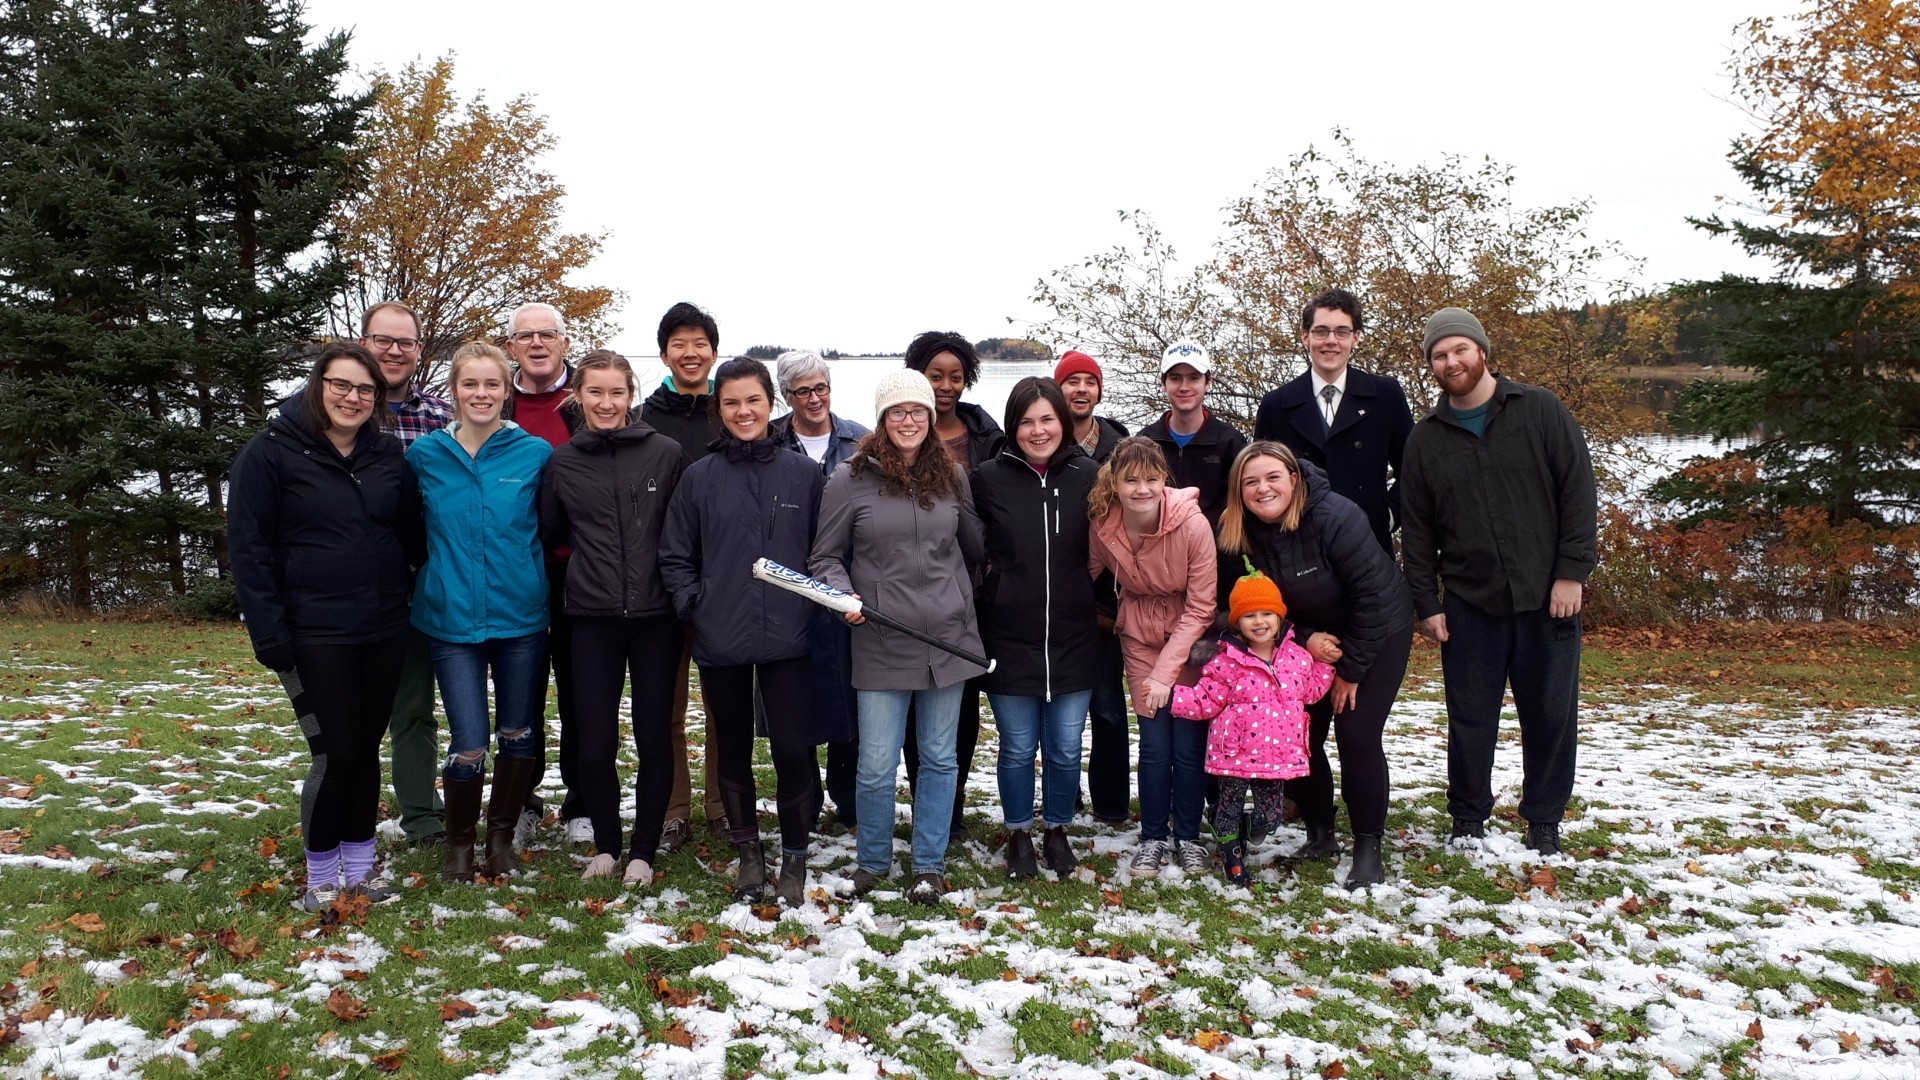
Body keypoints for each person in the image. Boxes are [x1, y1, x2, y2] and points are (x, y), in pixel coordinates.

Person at [229, 343, 424, 911]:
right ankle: (320, 877)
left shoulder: (387, 455)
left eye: (365, 390)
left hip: (383, 628)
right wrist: (269, 632)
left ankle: (360, 871)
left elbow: (410, 534)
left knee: (364, 750)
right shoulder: (270, 453)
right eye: (341, 385)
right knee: (334, 752)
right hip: (312, 632)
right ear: (318, 386)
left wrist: (403, 590)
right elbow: (249, 550)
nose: (352, 398)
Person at [1401, 307, 1598, 857]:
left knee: (1550, 714)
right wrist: (1427, 602)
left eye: (1459, 349)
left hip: (1548, 598)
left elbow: (1578, 493)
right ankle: (1468, 818)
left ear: (1482, 351)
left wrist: (1571, 573)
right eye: (1440, 355)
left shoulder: (1540, 410)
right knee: (1470, 717)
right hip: (1470, 602)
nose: (1451, 361)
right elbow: (1417, 531)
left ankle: (1544, 819)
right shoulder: (1425, 440)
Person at [809, 368, 986, 905]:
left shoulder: (952, 476)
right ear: (883, 419)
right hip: (882, 639)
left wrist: (961, 596)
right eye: (897, 412)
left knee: (939, 758)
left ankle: (929, 864)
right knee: (876, 763)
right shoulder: (850, 479)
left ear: (930, 418)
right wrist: (845, 597)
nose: (908, 421)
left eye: (917, 412)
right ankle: (873, 861)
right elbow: (824, 558)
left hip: (947, 641)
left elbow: (972, 548)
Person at [660, 357, 832, 906]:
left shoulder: (803, 474)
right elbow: (676, 554)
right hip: (722, 635)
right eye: (731, 402)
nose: (743, 411)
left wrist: (815, 608)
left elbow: (825, 550)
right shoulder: (700, 476)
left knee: (792, 749)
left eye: (753, 400)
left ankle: (796, 854)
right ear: (720, 408)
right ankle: (749, 852)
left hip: (791, 635)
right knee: (732, 749)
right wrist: (696, 606)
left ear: (770, 403)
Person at [1217, 442, 1415, 888]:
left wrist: (1351, 671)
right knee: (1297, 731)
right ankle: (1320, 833)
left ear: (1294, 478)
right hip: (1305, 636)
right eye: (1250, 482)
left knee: (1356, 732)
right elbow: (1238, 608)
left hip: (1377, 628)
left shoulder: (1335, 517)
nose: (1263, 489)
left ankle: (1368, 845)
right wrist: (1305, 638)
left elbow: (1373, 599)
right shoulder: (1234, 532)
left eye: (1273, 477)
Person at [537, 350, 688, 885]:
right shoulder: (562, 462)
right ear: (578, 395)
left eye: (616, 392)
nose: (606, 403)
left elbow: (682, 529)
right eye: (595, 392)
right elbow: (551, 532)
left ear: (631, 396)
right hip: (591, 617)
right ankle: (606, 846)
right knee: (596, 739)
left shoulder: (665, 453)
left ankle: (643, 851)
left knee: (653, 735)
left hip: (656, 617)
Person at [408, 342, 553, 882]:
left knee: (517, 731)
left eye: (492, 384)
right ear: (454, 390)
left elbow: (552, 526)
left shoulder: (534, 454)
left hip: (521, 617)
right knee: (469, 742)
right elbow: (406, 529)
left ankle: (501, 839)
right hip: (451, 620)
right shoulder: (425, 456)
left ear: (506, 390)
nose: (481, 394)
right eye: (470, 384)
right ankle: (459, 846)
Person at [972, 377, 1100, 880]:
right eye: (1026, 421)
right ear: (1013, 427)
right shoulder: (988, 478)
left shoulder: (1090, 475)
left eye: (1047, 419)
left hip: (1074, 636)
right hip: (1010, 636)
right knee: (1018, 747)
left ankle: (1057, 829)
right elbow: (972, 546)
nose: (1038, 430)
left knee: (1066, 748)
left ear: (1063, 422)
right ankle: (1019, 833)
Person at [1088, 437, 1219, 879]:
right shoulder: (1104, 525)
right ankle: (1153, 837)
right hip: (1140, 635)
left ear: (1164, 479)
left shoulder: (1193, 525)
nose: (1141, 489)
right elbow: (1082, 574)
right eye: (1131, 480)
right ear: (1115, 482)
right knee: (1155, 743)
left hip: (1190, 640)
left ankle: (1189, 837)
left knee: (1188, 745)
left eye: (1150, 479)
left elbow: (1202, 607)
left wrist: (1167, 673)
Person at [352, 302, 455, 850]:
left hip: (438, 583)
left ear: (419, 350)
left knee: (427, 708)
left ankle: (429, 816)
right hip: (364, 591)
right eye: (382, 340)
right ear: (363, 343)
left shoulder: (441, 417)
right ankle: (355, 818)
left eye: (405, 342)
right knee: (373, 711)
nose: (394, 351)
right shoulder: (338, 413)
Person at [900, 332, 1005, 835]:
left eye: (955, 377)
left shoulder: (987, 437)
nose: (945, 386)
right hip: (913, 592)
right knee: (915, 701)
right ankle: (924, 799)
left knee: (961, 706)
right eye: (935, 376)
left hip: (976, 593)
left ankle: (952, 802)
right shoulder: (900, 432)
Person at [1172, 563, 1333, 888]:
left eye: (1266, 614)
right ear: (1237, 622)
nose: (1259, 622)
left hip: (1276, 759)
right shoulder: (1226, 661)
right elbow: (1206, 699)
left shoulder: (1297, 658)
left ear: (1279, 617)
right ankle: (1233, 860)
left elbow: (1311, 691)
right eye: (1249, 615)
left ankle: (1243, 831)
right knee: (1229, 808)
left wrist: (1327, 666)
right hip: (1233, 755)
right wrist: (1171, 697)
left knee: (1270, 818)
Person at [638, 301, 729, 854]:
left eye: (700, 344)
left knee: (722, 705)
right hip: (662, 584)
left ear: (714, 352)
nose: (690, 353)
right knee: (664, 708)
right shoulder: (644, 418)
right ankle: (673, 811)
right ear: (664, 353)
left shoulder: (733, 409)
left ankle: (722, 805)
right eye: (679, 344)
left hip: (726, 584)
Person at [770, 350, 870, 833]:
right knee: (795, 694)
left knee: (850, 692)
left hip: (851, 580)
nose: (814, 399)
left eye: (820, 388)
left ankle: (848, 799)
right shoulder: (770, 441)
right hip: (788, 584)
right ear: (786, 396)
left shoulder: (861, 441)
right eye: (802, 391)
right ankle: (803, 798)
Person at [1253, 289, 1415, 556]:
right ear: (1305, 337)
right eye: (1321, 331)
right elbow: (1260, 478)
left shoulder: (1386, 395)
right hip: (1300, 550)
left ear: (1356, 337)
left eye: (1341, 332)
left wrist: (1388, 515)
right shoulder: (1276, 405)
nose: (1331, 341)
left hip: (1369, 546)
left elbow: (1412, 469)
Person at [501, 302, 579, 851]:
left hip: (580, 572)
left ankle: (583, 802)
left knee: (581, 693)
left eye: (547, 334)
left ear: (564, 344)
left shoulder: (590, 400)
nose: (536, 344)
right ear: (511, 347)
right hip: (514, 571)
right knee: (520, 695)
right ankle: (521, 801)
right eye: (524, 336)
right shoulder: (493, 401)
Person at [1053, 350, 1132, 827]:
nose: (1081, 389)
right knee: (1057, 709)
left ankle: (1111, 804)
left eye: (1089, 381)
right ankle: (1060, 798)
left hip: (1107, 604)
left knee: (1107, 707)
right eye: (1072, 381)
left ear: (1099, 390)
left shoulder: (1122, 447)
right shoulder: (1041, 440)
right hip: (1056, 597)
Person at [1140, 340, 1248, 528]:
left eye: (1194, 378)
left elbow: (1239, 506)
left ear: (1208, 383)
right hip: (1156, 541)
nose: (1184, 386)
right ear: (1163, 383)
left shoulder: (1231, 442)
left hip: (1216, 543)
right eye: (1175, 378)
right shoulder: (1144, 442)